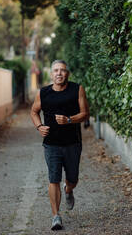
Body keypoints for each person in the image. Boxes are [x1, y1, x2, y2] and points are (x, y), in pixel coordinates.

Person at [30, 59, 89, 230]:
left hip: (72, 143)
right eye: (56, 70)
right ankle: (56, 216)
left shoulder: (77, 89)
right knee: (53, 178)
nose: (59, 73)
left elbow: (85, 114)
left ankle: (69, 190)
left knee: (73, 179)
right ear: (51, 73)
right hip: (51, 144)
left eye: (62, 70)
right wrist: (39, 126)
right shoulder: (43, 93)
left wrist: (69, 119)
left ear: (67, 73)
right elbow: (34, 111)